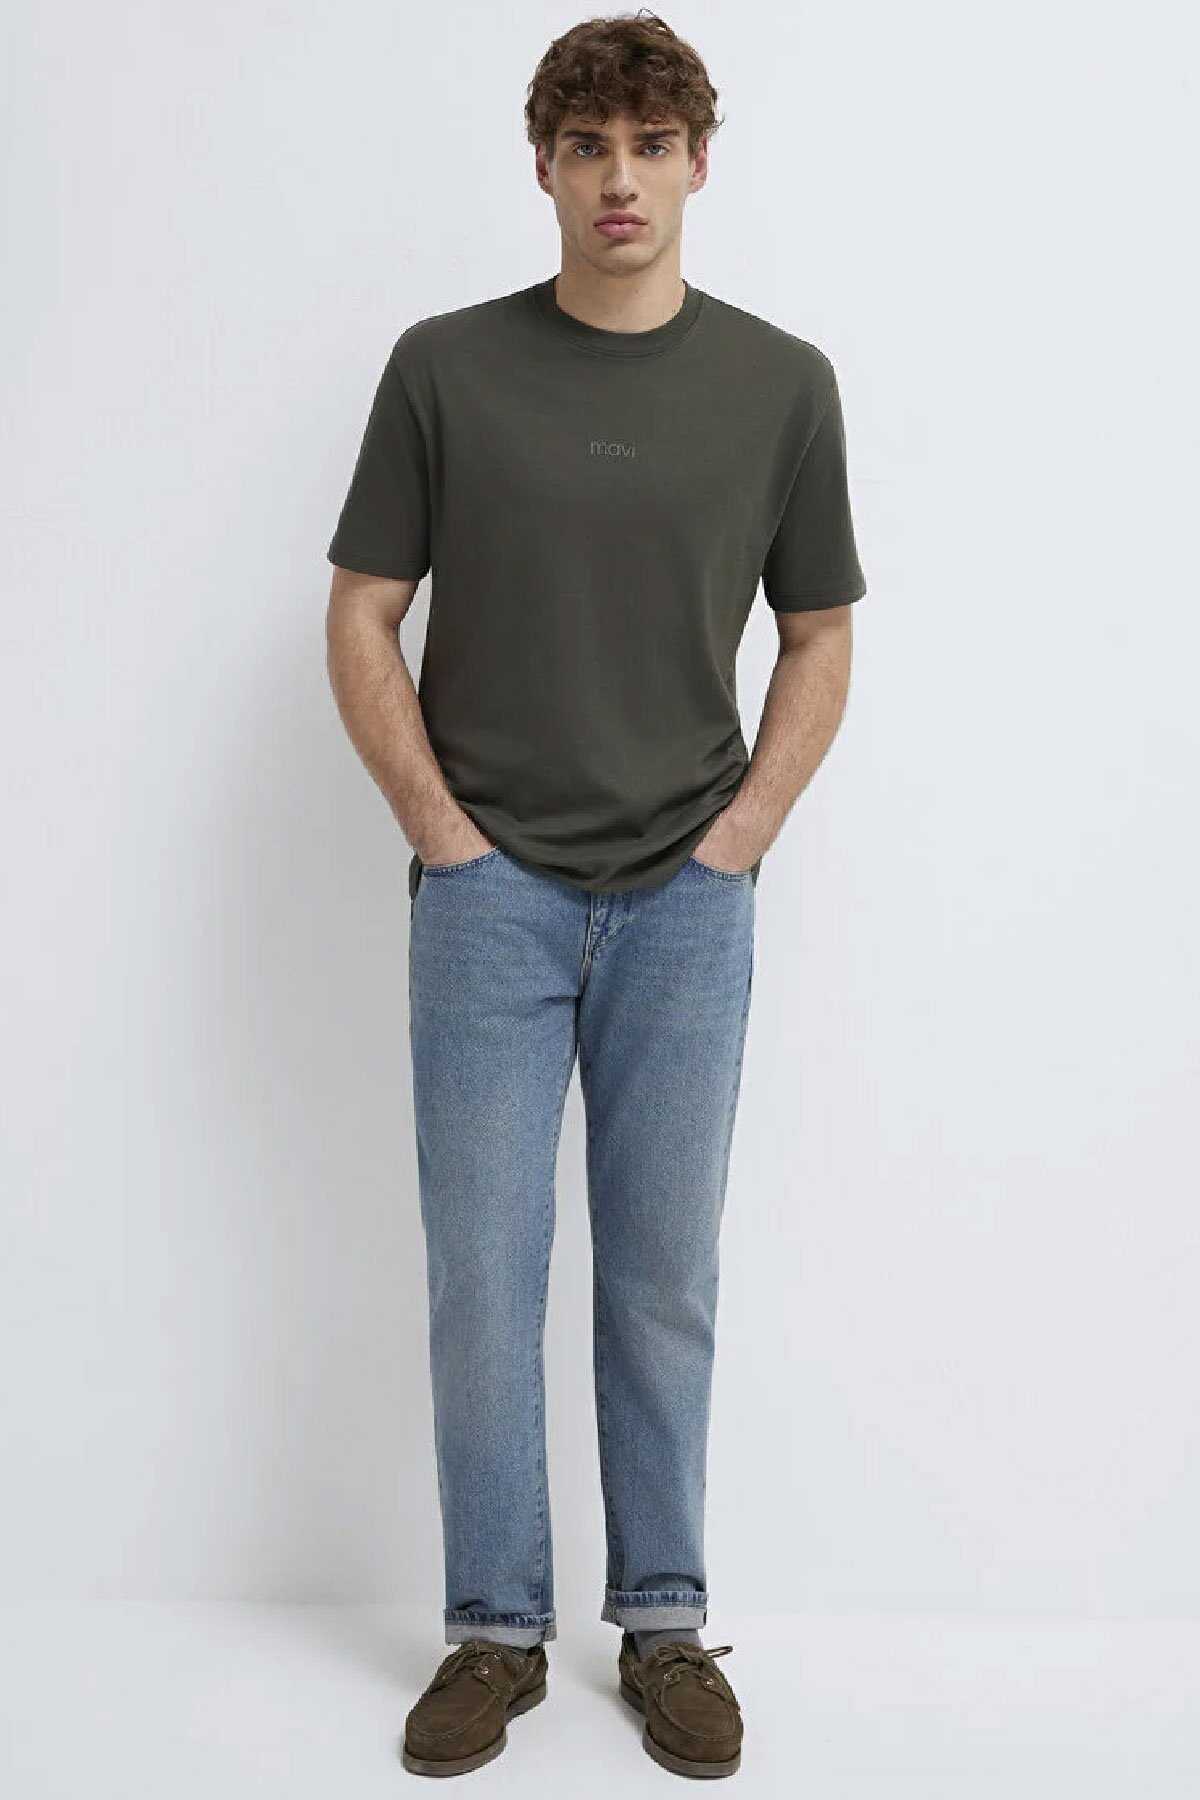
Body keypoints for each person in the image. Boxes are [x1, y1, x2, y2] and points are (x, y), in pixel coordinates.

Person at [324, 10, 866, 1780]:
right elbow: (361, 614)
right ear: (544, 166)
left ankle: (665, 1625)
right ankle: (495, 1633)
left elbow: (818, 634)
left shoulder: (781, 384)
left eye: (648, 145)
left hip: (687, 898)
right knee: (484, 1275)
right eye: (586, 147)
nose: (618, 179)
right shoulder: (446, 369)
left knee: (660, 1277)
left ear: (699, 162)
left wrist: (743, 835)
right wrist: (444, 832)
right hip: (489, 896)